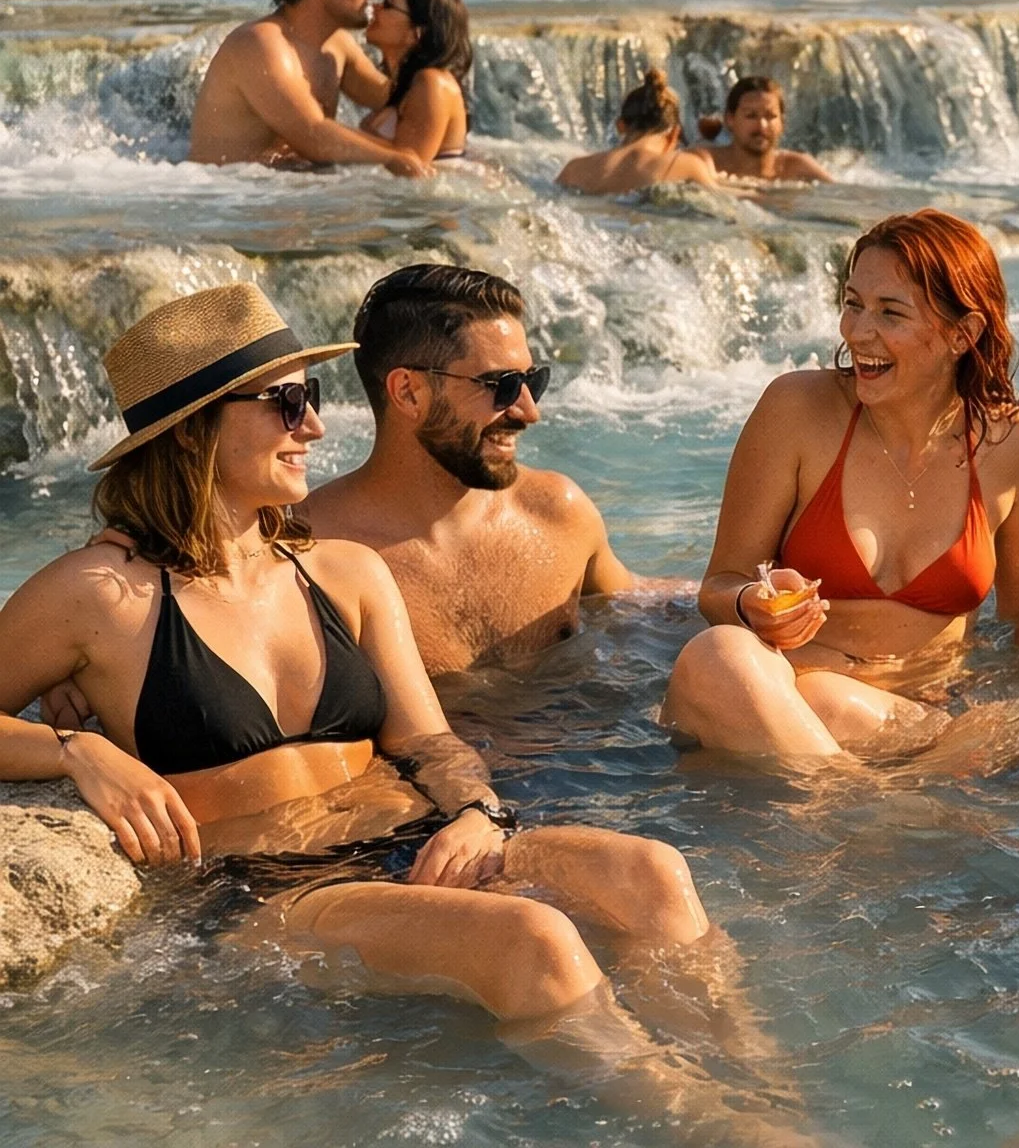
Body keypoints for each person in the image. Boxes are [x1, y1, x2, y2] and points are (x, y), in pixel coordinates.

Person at [0, 285, 733, 1106]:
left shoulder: (343, 571)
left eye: (308, 401)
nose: (313, 427)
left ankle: (768, 1095)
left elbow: (427, 740)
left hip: (411, 839)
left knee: (652, 873)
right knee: (532, 937)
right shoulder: (96, 593)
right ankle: (713, 1126)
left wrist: (476, 813)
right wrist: (76, 750)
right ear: (193, 428)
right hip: (266, 891)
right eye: (287, 402)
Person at [660, 209, 1019, 761]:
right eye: (852, 304)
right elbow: (719, 585)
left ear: (962, 335)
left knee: (999, 723)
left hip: (915, 724)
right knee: (716, 656)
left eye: (889, 312)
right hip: (783, 710)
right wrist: (751, 603)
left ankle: (854, 803)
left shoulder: (1014, 446)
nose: (856, 331)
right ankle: (864, 801)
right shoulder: (796, 410)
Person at [304, 265, 667, 677]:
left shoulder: (555, 512)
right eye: (503, 386)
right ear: (408, 392)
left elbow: (638, 602)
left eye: (533, 381)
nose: (530, 412)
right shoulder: (309, 553)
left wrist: (741, 597)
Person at [188, 0, 429, 176]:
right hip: (228, 200)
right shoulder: (261, 43)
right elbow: (313, 134)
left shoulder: (338, 45)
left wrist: (404, 47)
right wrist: (393, 157)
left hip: (288, 196)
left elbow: (400, 102)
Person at [362, 0, 471, 163]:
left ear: (416, 33)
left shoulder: (432, 82)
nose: (374, 7)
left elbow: (408, 168)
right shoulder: (404, 85)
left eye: (388, 4)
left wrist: (322, 139)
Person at [557, 69, 720, 194]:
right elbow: (724, 200)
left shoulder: (574, 169)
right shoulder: (685, 165)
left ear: (620, 126)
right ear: (674, 134)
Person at [694, 77, 833, 184]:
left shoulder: (797, 167)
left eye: (770, 116)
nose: (762, 126)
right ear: (730, 120)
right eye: (751, 115)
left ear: (782, 123)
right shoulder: (706, 162)